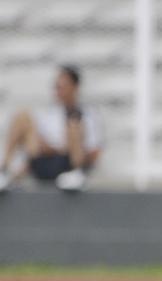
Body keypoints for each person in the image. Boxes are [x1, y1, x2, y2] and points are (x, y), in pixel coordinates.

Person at [0, 64, 103, 192]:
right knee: (22, 117)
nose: (58, 91)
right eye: (57, 87)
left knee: (73, 123)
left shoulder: (88, 115)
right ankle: (4, 171)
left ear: (74, 87)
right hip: (45, 162)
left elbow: (94, 152)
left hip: (67, 163)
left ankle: (76, 172)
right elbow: (34, 145)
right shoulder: (48, 114)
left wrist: (60, 149)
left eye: (62, 86)